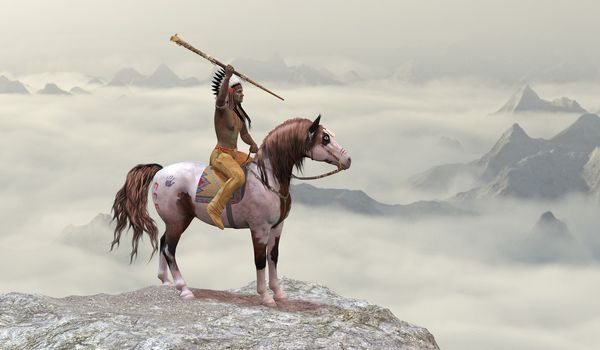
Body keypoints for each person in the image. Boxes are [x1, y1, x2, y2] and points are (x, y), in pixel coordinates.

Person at [207, 64, 258, 230]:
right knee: (238, 177)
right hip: (220, 155)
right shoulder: (221, 110)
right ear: (230, 93)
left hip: (234, 154)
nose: (243, 95)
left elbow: (244, 135)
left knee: (257, 166)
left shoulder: (239, 114)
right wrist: (228, 77)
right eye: (239, 92)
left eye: (242, 92)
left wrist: (253, 144)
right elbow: (220, 100)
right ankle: (215, 207)